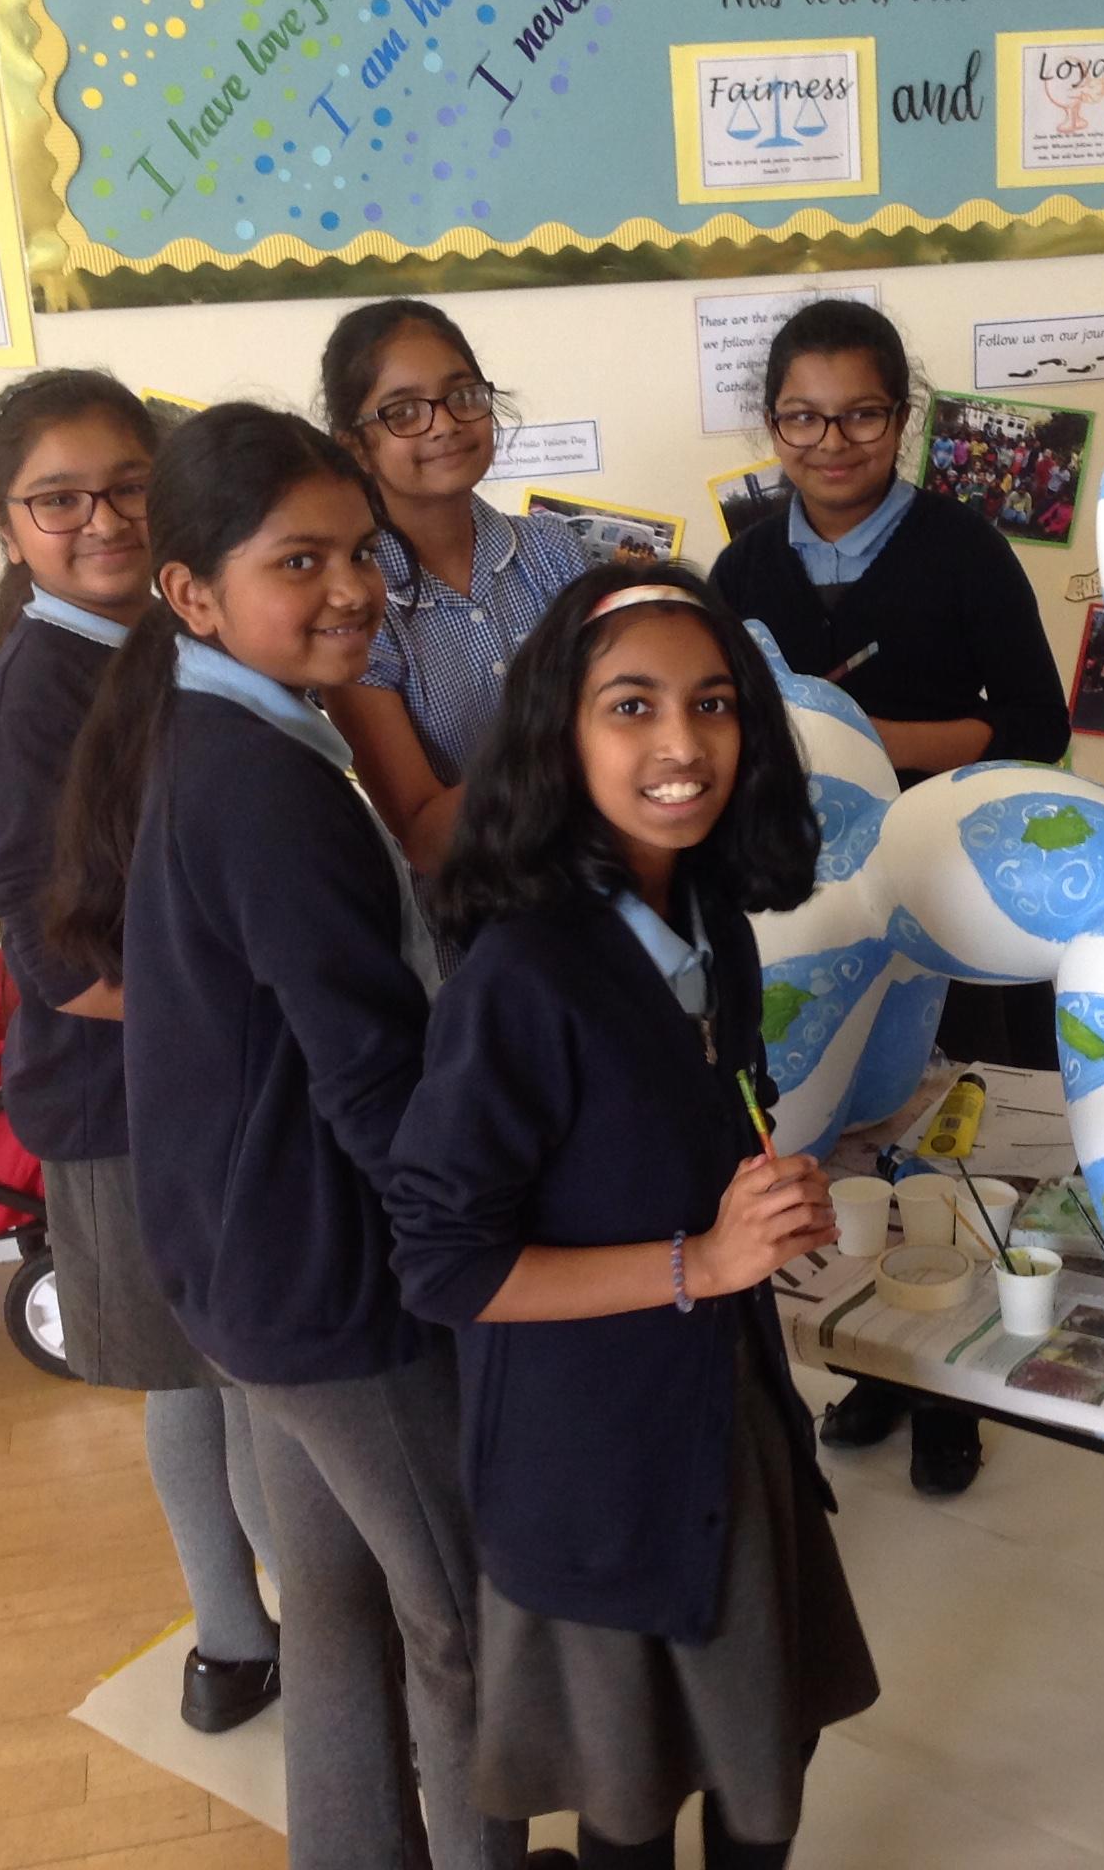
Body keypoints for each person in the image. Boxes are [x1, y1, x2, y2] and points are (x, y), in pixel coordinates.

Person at [42, 403, 543, 1870]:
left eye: (360, 553)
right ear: (192, 593)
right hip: (333, 1289)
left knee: (336, 1603)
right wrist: (476, 1255)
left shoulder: (223, 726)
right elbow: (370, 1075)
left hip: (243, 1267)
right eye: (299, 563)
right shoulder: (263, 781)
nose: (351, 589)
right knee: (463, 1616)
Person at [390, 564, 879, 1870]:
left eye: (714, 704)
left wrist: (763, 1200)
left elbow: (698, 1124)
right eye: (632, 706)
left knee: (767, 1747)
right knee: (632, 1790)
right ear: (558, 733)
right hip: (596, 1462)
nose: (682, 745)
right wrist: (701, 1260)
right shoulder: (522, 977)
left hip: (725, 1413)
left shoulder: (709, 920)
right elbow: (445, 1265)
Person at [0, 369, 282, 1738]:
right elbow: (68, 972)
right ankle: (255, 1634)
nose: (103, 520)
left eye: (129, 486)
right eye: (58, 499)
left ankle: (270, 1629)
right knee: (216, 1380)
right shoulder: (23, 708)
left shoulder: (185, 636)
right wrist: (284, 1004)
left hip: (231, 1077)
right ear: (6, 522)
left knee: (241, 1375)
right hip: (129, 1106)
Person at [709, 298, 1070, 1499]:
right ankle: (879, 1365)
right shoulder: (742, 567)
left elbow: (1035, 726)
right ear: (771, 424)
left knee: (948, 1141)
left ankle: (954, 1393)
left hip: (946, 890)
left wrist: (854, 735)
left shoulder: (963, 547)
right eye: (802, 418)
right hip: (808, 910)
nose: (832, 442)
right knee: (845, 1144)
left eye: (861, 415)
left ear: (902, 418)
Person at [318, 300, 587, 927]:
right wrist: (589, 762)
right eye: (403, 411)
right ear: (356, 447)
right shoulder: (356, 607)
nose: (444, 425)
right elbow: (427, 835)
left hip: (606, 899)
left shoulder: (556, 553)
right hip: (476, 936)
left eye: (462, 395)